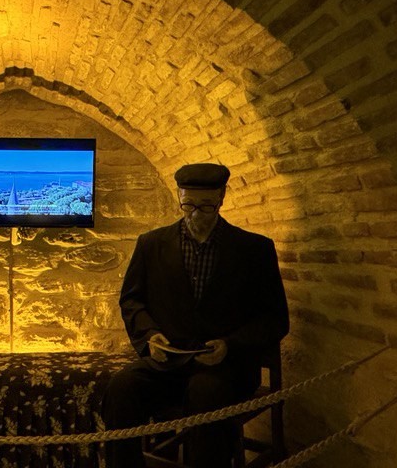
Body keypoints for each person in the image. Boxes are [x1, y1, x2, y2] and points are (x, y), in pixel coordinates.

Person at [102, 162, 289, 468]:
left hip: (226, 368)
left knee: (205, 393)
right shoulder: (151, 244)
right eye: (188, 205)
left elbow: (275, 318)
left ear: (221, 198)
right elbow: (132, 300)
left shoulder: (254, 249)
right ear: (179, 197)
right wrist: (150, 336)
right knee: (121, 388)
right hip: (170, 363)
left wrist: (230, 344)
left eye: (206, 206)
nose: (195, 215)